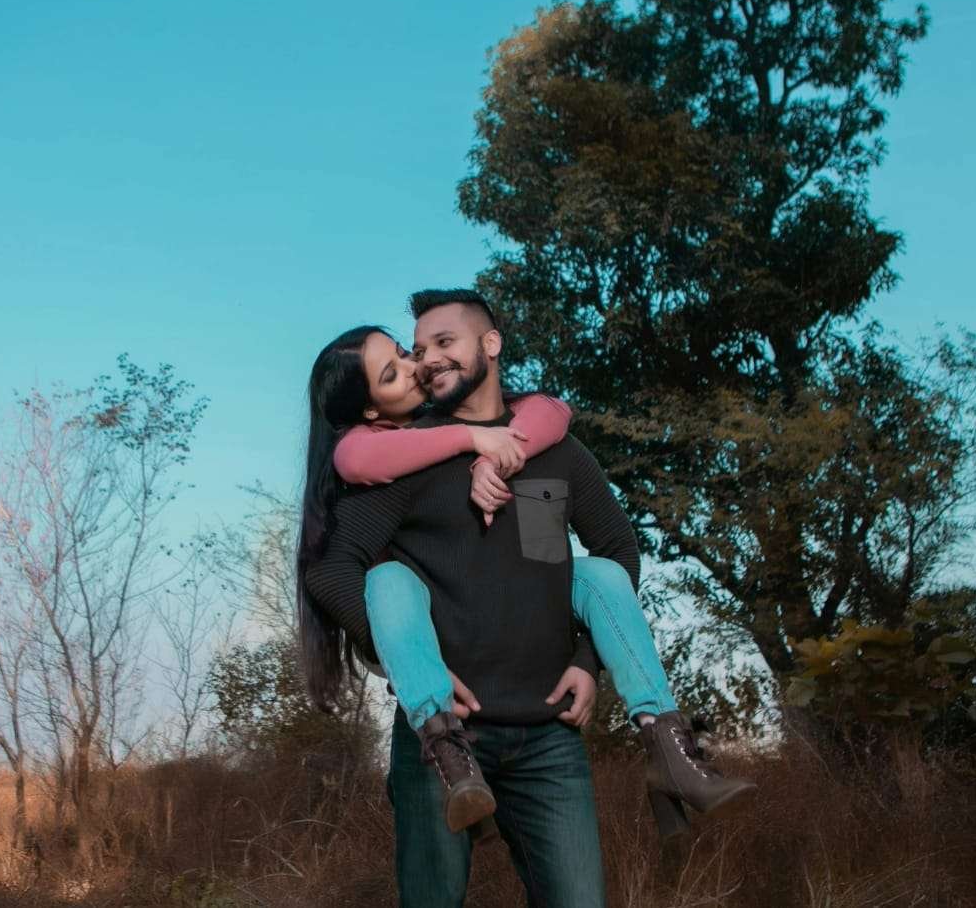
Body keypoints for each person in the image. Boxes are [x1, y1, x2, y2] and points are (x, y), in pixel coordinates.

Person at [297, 290, 752, 908]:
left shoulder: (551, 447)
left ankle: (670, 749)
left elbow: (613, 548)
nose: (426, 360)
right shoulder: (405, 455)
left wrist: (588, 660)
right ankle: (444, 742)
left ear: (491, 344)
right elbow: (332, 570)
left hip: (548, 736)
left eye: (441, 343)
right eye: (418, 350)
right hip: (445, 741)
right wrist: (409, 665)